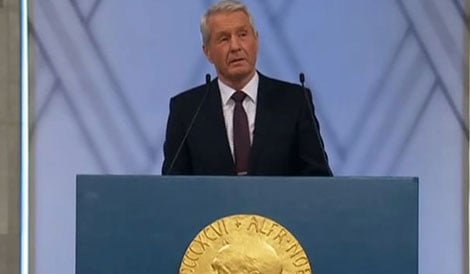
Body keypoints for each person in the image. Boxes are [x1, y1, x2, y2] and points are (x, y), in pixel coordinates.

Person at [162, 0, 332, 176]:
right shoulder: (186, 110)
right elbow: (172, 188)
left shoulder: (294, 101)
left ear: (256, 40)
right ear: (207, 52)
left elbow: (318, 178)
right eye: (224, 39)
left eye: (243, 35)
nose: (235, 47)